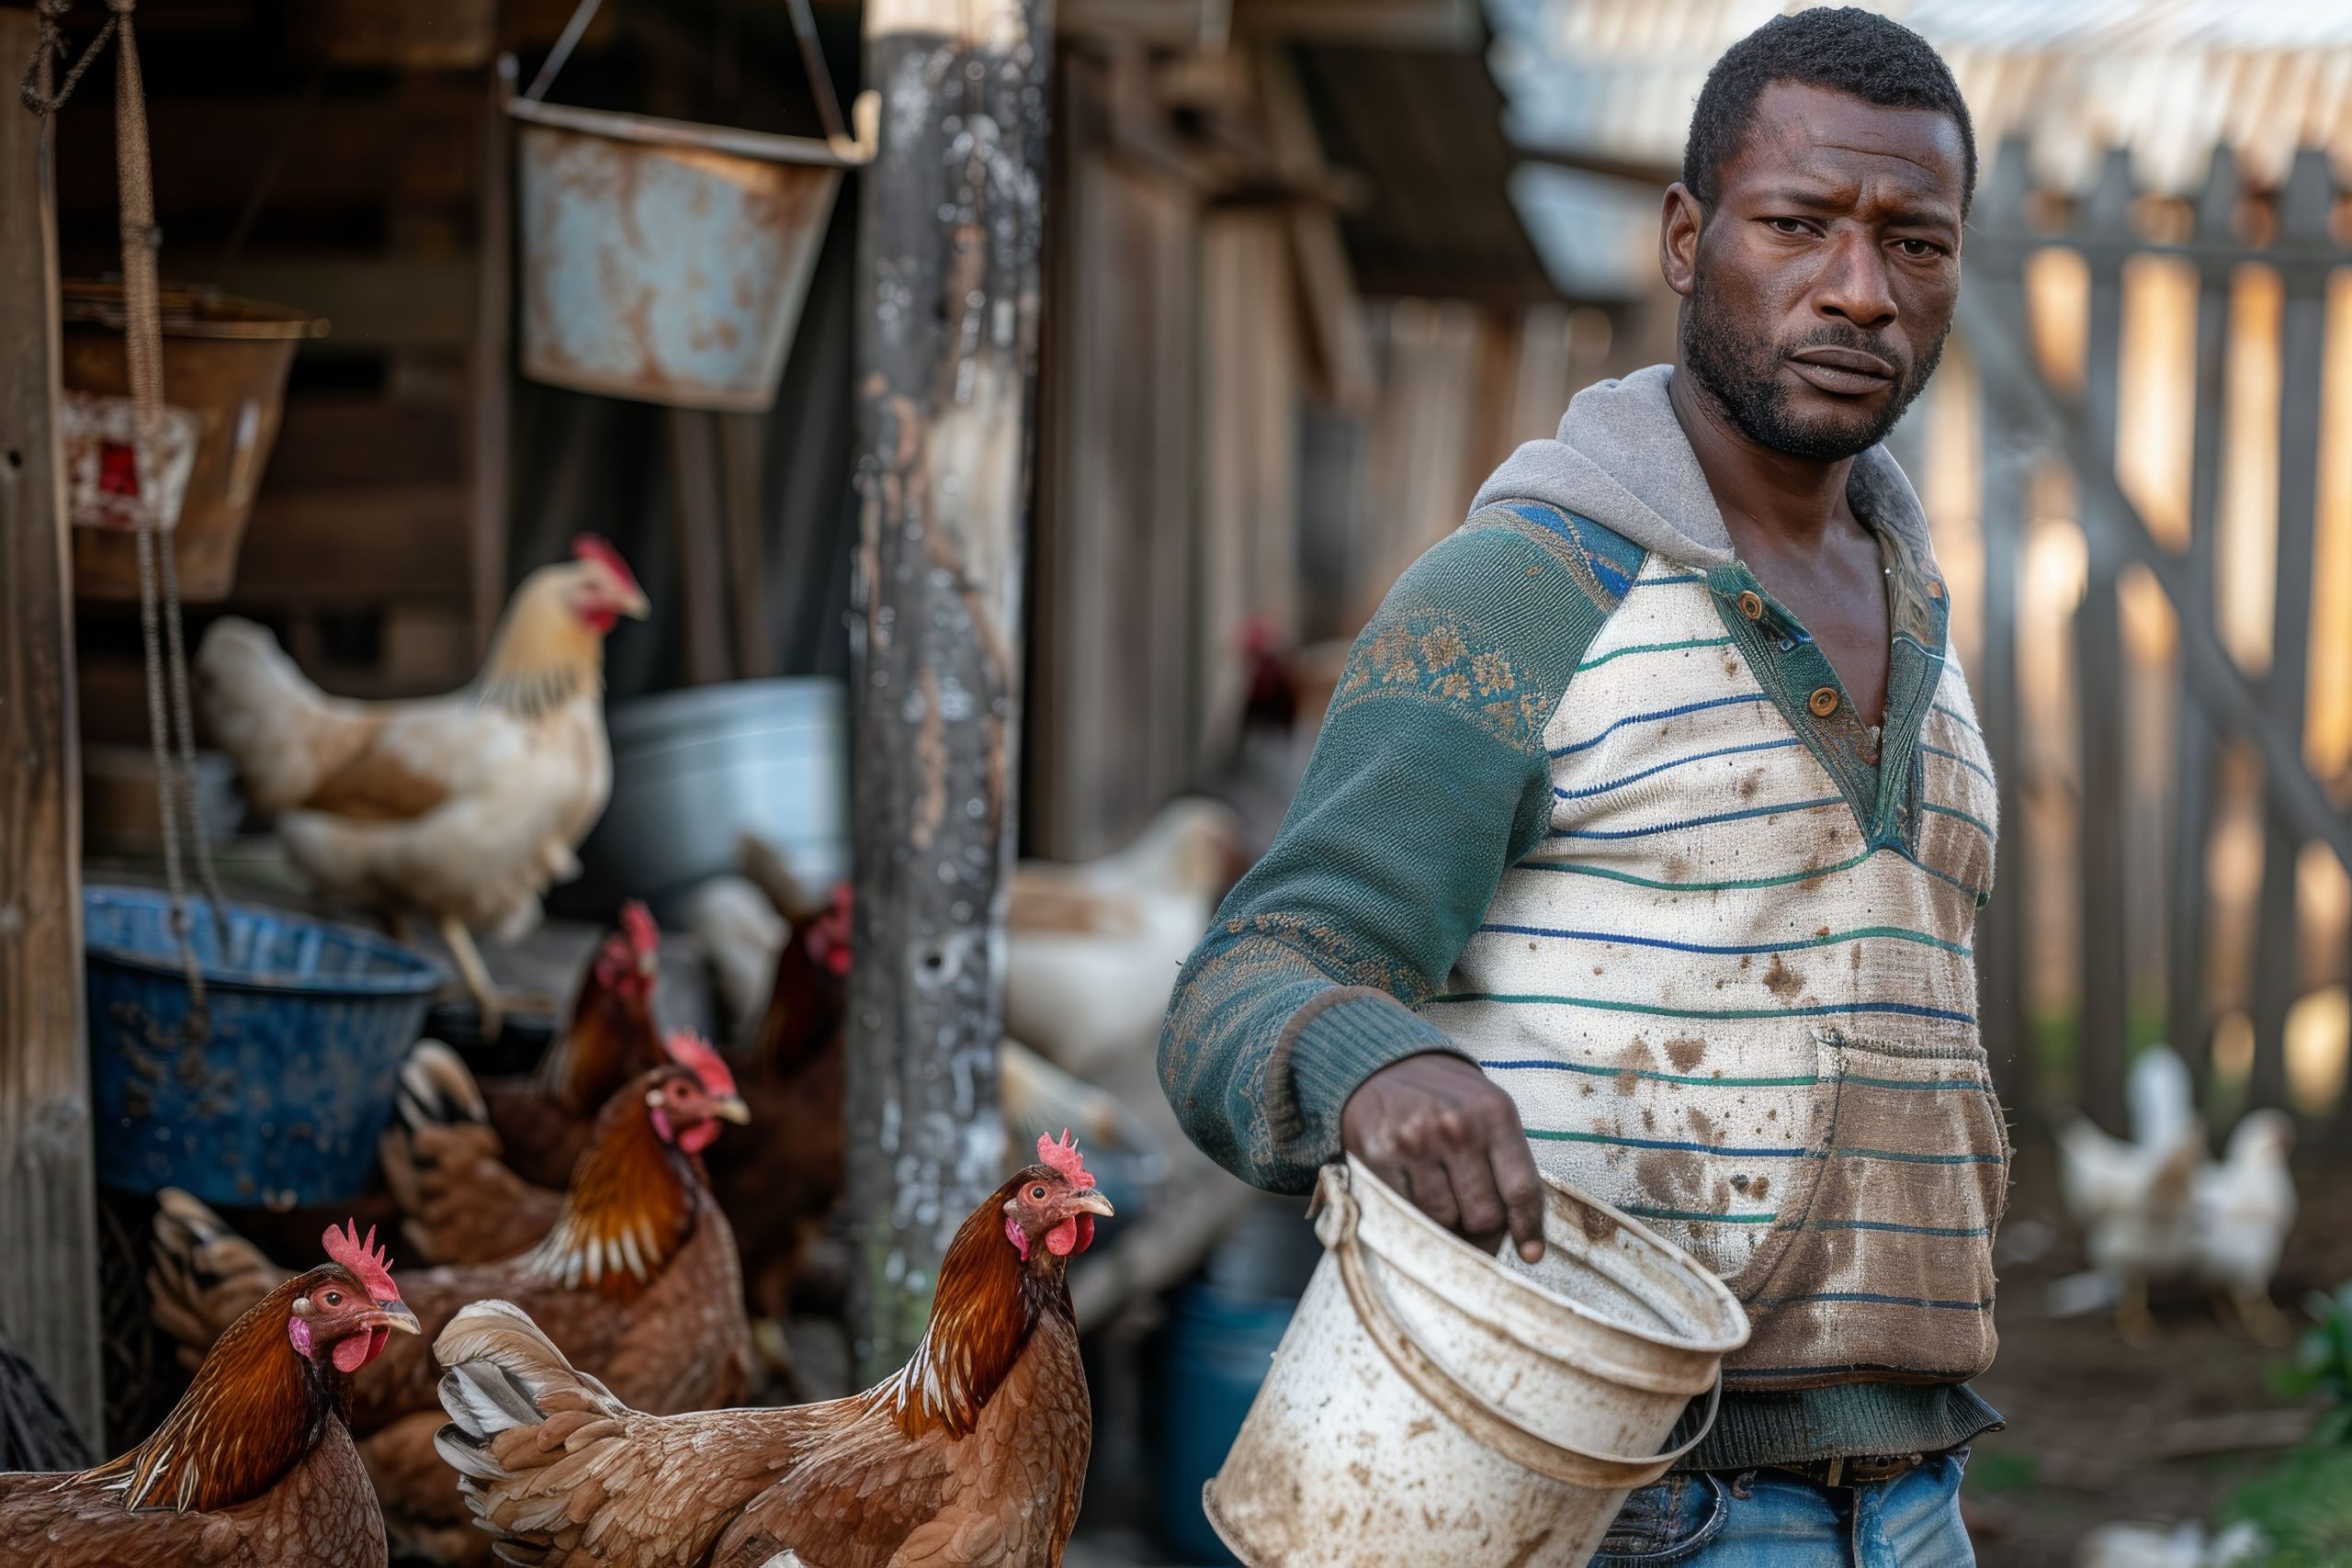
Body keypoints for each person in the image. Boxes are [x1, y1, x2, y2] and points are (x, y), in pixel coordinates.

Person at [1159, 8, 2004, 1564]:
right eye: (1798, 224)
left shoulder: (1930, 635)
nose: (1860, 289)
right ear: (1688, 239)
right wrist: (1372, 1067)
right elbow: (1243, 982)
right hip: (1618, 1500)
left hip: (1913, 1500)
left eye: (1917, 243)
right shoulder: (1529, 591)